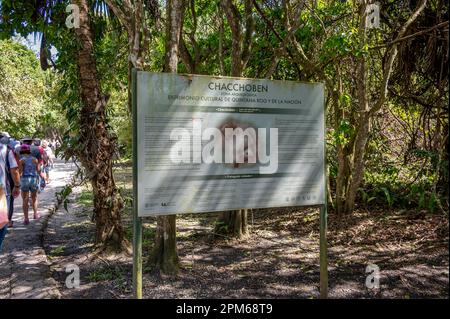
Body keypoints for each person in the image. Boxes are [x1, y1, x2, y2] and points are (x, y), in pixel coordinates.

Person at [0, 136, 20, 249]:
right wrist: (17, 185)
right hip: (1, 191)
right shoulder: (6, 150)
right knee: (2, 223)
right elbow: (14, 170)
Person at [18, 144, 41, 225]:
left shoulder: (21, 161)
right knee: (34, 197)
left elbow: (20, 172)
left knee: (25, 199)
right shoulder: (35, 159)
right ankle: (35, 214)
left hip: (24, 179)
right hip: (33, 179)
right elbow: (38, 170)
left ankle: (26, 218)